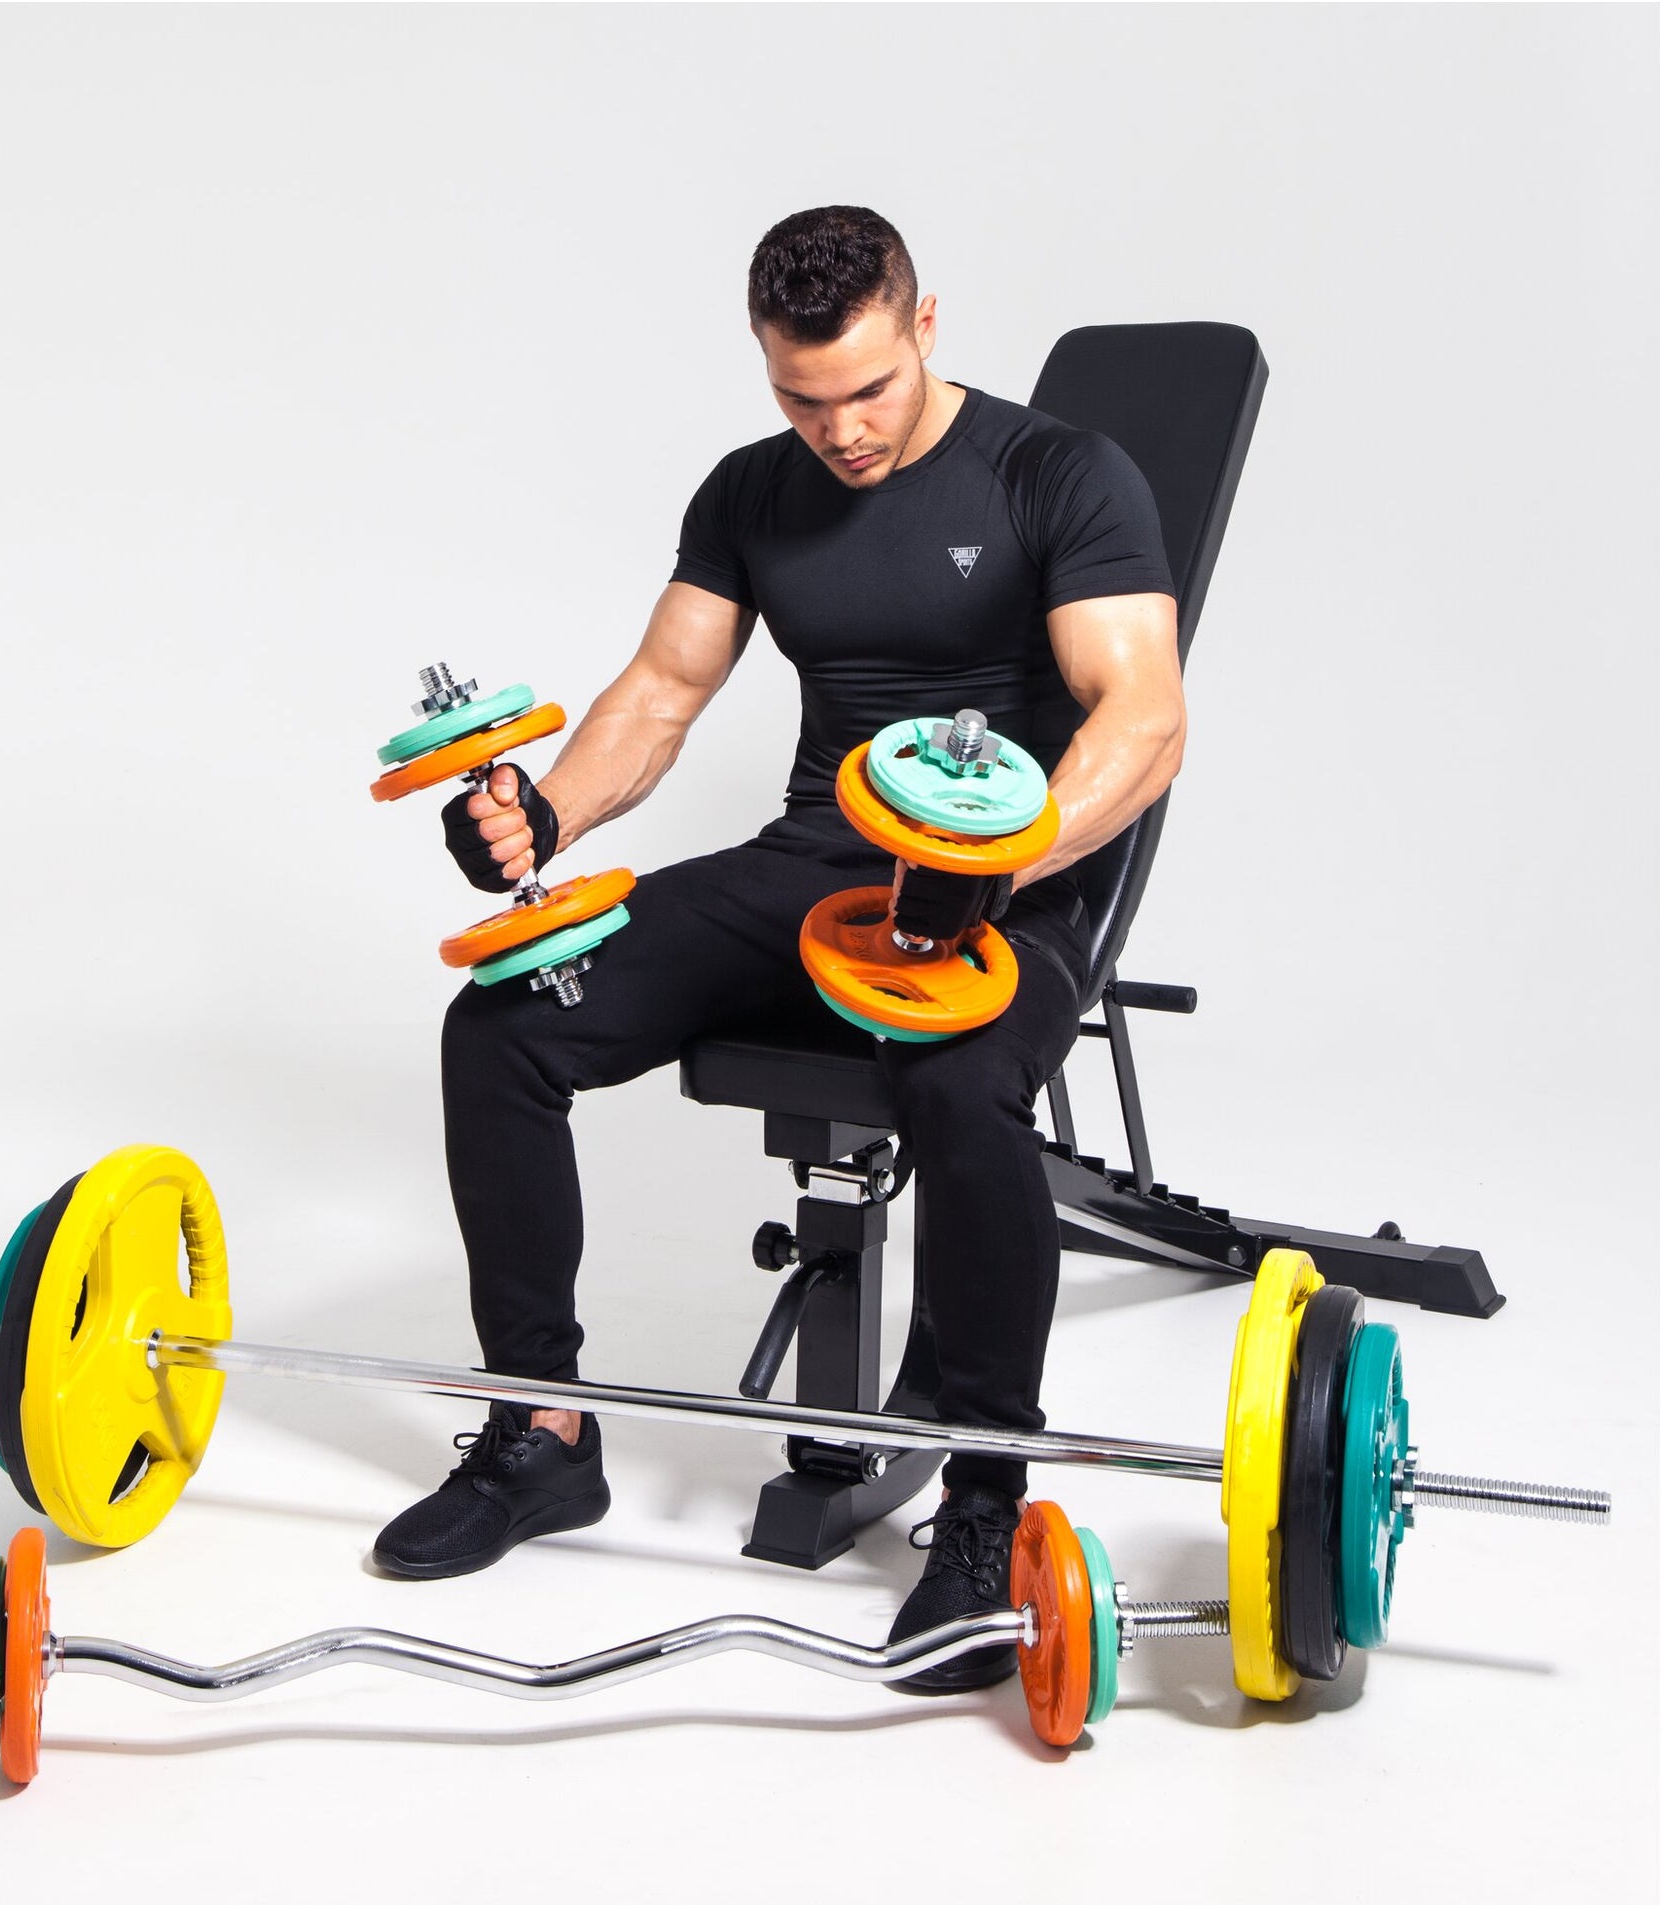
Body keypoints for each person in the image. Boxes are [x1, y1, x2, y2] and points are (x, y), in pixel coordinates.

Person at [373, 205, 1182, 1694]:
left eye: (867, 389)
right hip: (811, 866)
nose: (841, 431)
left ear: (925, 325)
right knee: (504, 1025)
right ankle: (540, 1429)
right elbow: (659, 694)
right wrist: (540, 814)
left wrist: (991, 864)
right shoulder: (753, 489)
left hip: (1012, 885)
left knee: (958, 1088)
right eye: (803, 399)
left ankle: (981, 1504)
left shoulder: (1057, 473)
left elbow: (1142, 718)